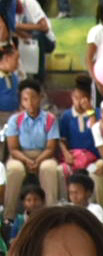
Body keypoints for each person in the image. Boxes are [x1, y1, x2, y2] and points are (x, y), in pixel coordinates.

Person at [4, 79, 61, 220]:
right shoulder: (15, 120)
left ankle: (51, 215)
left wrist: (38, 160)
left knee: (49, 169)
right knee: (14, 170)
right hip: (20, 155)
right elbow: (13, 148)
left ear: (40, 98)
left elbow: (51, 147)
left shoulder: (50, 119)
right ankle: (8, 217)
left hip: (44, 155)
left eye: (33, 98)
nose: (29, 102)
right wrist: (27, 160)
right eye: (25, 99)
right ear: (21, 101)